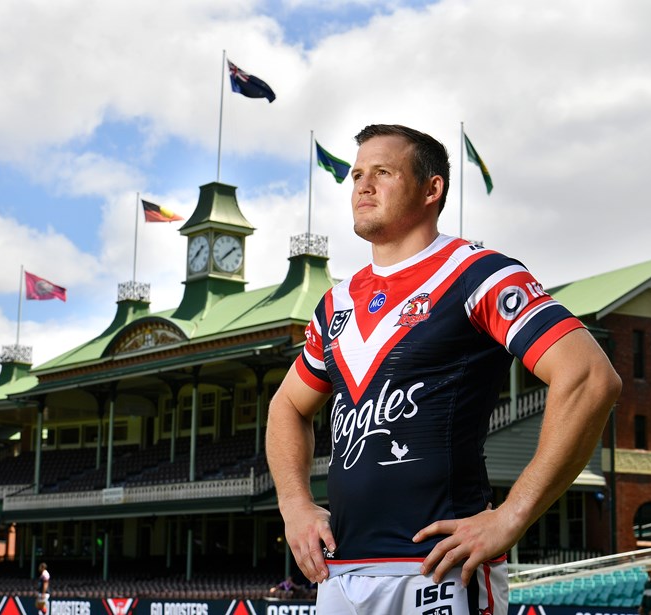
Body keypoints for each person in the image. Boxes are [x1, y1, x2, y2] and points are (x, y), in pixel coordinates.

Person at [266, 124, 622, 614]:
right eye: (357, 175)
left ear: (432, 189)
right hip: (339, 571)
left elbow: (589, 376)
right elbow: (287, 405)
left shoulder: (479, 274)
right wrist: (294, 505)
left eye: (383, 172)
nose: (363, 186)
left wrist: (511, 516)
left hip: (437, 569)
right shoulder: (335, 303)